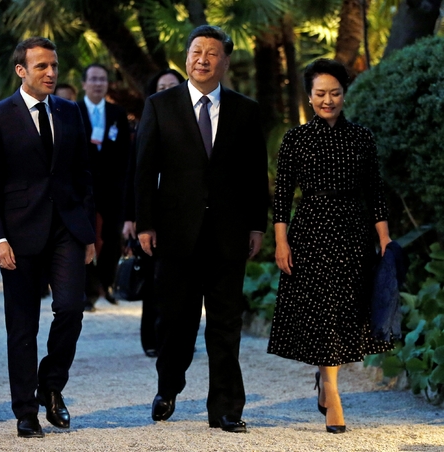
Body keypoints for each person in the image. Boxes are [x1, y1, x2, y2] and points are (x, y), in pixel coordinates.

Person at [135, 25, 268, 432]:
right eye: (196, 51)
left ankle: (226, 408)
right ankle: (169, 385)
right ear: (187, 56)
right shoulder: (161, 105)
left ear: (225, 61)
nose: (203, 59)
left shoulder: (245, 110)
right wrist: (144, 223)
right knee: (176, 322)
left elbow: (255, 174)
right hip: (176, 234)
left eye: (212, 53)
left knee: (226, 324)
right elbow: (144, 169)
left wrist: (257, 226)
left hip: (228, 234)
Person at [0, 37, 96, 438]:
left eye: (54, 66)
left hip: (67, 230)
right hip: (18, 235)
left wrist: (88, 232)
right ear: (21, 70)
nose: (50, 73)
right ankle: (25, 410)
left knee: (71, 309)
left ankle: (51, 385)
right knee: (22, 326)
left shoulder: (69, 111)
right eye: (41, 66)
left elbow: (82, 175)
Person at [267, 58, 394, 434]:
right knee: (322, 310)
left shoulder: (362, 137)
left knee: (344, 312)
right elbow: (282, 196)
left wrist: (384, 238)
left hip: (354, 234)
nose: (328, 100)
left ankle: (326, 381)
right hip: (311, 233)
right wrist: (281, 241)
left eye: (335, 93)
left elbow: (376, 192)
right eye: (320, 93)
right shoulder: (296, 139)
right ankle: (333, 392)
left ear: (344, 94)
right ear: (309, 97)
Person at [123, 68, 185, 357]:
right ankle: (151, 338)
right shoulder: (146, 123)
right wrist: (131, 217)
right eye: (162, 86)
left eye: (173, 86)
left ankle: (180, 340)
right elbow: (134, 175)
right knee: (154, 280)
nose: (167, 91)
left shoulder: (193, 123)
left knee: (183, 281)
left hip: (184, 213)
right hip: (153, 214)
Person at [77, 64, 131, 310]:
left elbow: (124, 153)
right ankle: (87, 291)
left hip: (113, 188)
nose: (98, 84)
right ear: (84, 84)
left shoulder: (117, 113)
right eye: (93, 79)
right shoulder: (72, 110)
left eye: (102, 79)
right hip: (83, 188)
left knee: (112, 238)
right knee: (84, 238)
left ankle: (107, 285)